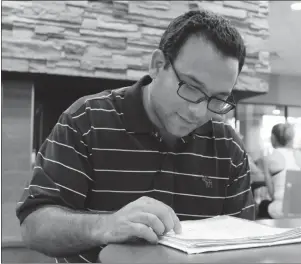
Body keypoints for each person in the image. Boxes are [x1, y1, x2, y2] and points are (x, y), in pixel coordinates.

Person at [16, 10, 254, 263]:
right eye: (192, 88)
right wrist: (106, 226)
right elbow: (34, 226)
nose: (198, 112)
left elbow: (246, 241)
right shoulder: (86, 121)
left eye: (217, 99)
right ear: (157, 65)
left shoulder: (227, 146)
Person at [255, 123, 300, 219]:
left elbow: (272, 194)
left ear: (273, 138)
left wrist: (266, 173)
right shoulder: (298, 156)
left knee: (261, 205)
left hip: (282, 210)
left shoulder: (270, 157)